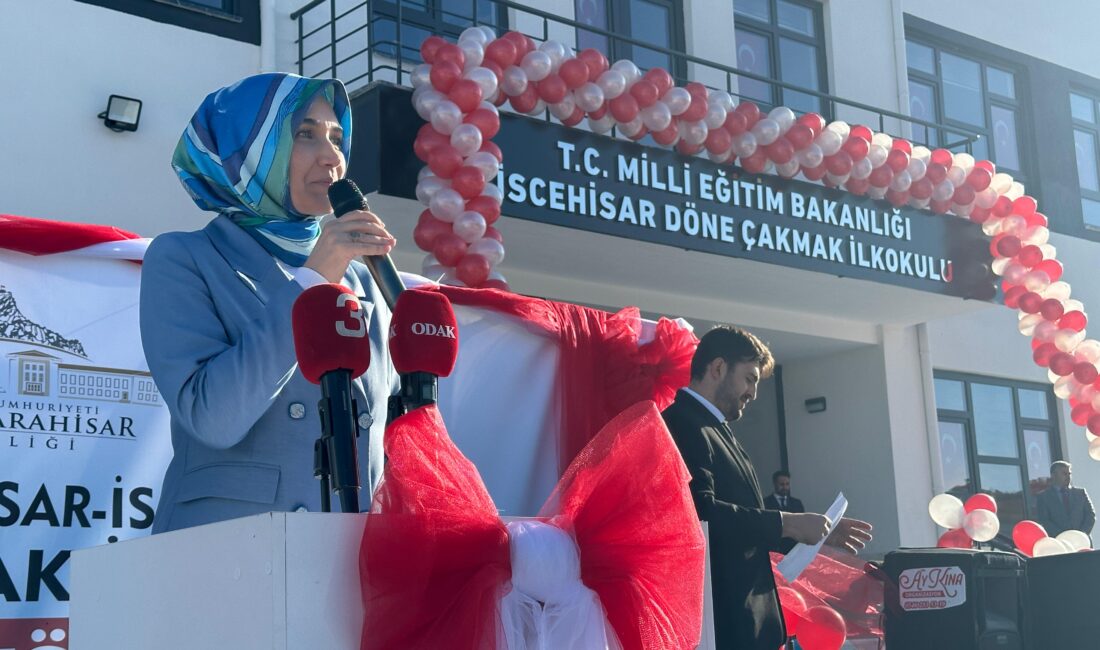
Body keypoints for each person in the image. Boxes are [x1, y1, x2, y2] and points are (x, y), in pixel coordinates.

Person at [141, 73, 399, 533]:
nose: (332, 157)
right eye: (304, 134)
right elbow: (214, 417)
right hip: (226, 562)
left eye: (337, 138)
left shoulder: (363, 275)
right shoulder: (185, 258)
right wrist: (313, 280)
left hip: (348, 561)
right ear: (245, 151)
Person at [662, 326, 872, 650]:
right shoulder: (684, 423)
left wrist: (817, 532)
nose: (753, 393)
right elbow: (700, 516)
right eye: (750, 378)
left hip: (745, 626)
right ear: (718, 368)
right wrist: (788, 522)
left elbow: (746, 523)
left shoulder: (714, 428)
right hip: (721, 626)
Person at [1035, 460, 1096, 538]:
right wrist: (1064, 537)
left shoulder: (1081, 493)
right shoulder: (1044, 497)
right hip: (1060, 543)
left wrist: (1081, 535)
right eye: (1064, 474)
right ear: (1053, 475)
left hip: (1082, 541)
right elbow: (1044, 520)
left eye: (1069, 474)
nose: (1068, 477)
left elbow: (1090, 515)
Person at [764, 470, 805, 554]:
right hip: (774, 549)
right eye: (782, 484)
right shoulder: (765, 503)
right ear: (775, 484)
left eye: (787, 484)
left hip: (794, 548)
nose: (785, 487)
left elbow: (802, 525)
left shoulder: (797, 503)